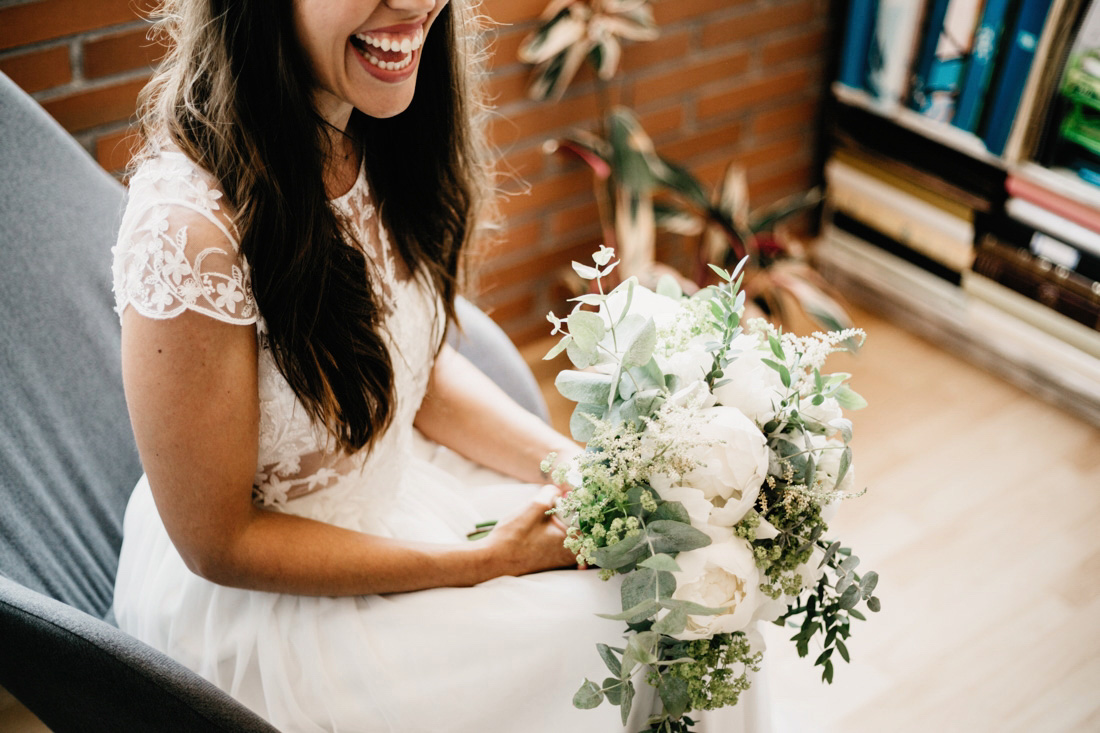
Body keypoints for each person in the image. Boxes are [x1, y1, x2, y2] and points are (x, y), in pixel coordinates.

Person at [111, 1, 769, 731]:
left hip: (400, 493)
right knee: (620, 624)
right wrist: (484, 562)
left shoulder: (377, 129)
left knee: (680, 580)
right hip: (276, 607)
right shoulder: (188, 232)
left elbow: (414, 372)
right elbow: (220, 543)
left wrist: (585, 470)